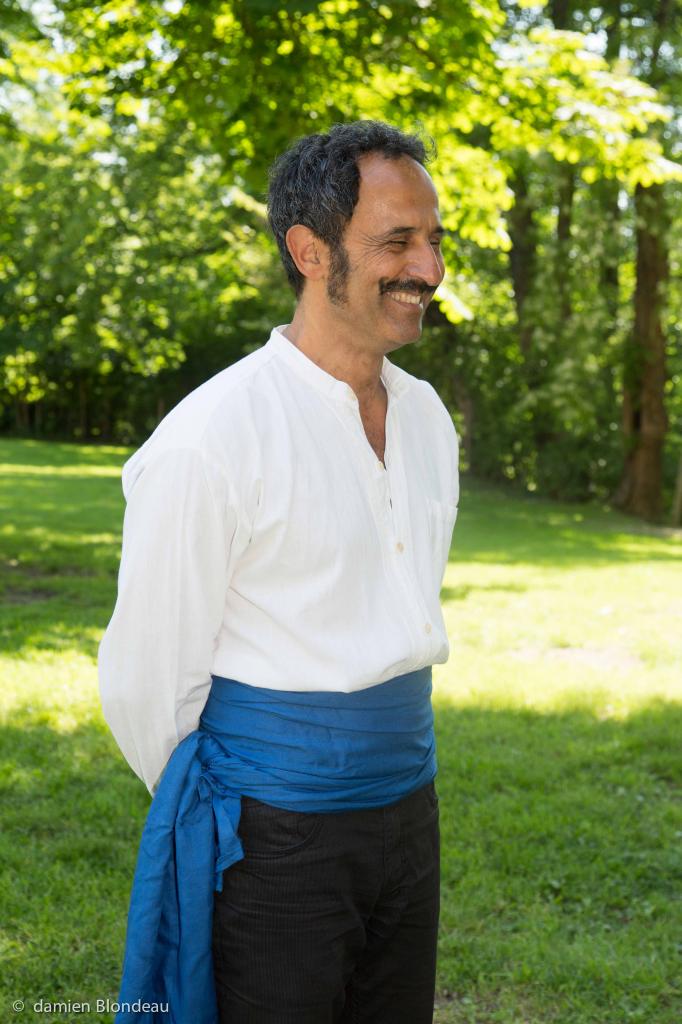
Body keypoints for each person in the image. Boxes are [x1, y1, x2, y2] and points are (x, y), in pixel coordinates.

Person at [99, 119, 459, 1024]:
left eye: (434, 239)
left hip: (411, 812)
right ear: (309, 251)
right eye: (396, 242)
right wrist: (262, 804)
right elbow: (147, 685)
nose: (430, 268)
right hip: (271, 839)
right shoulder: (210, 439)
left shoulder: (426, 418)